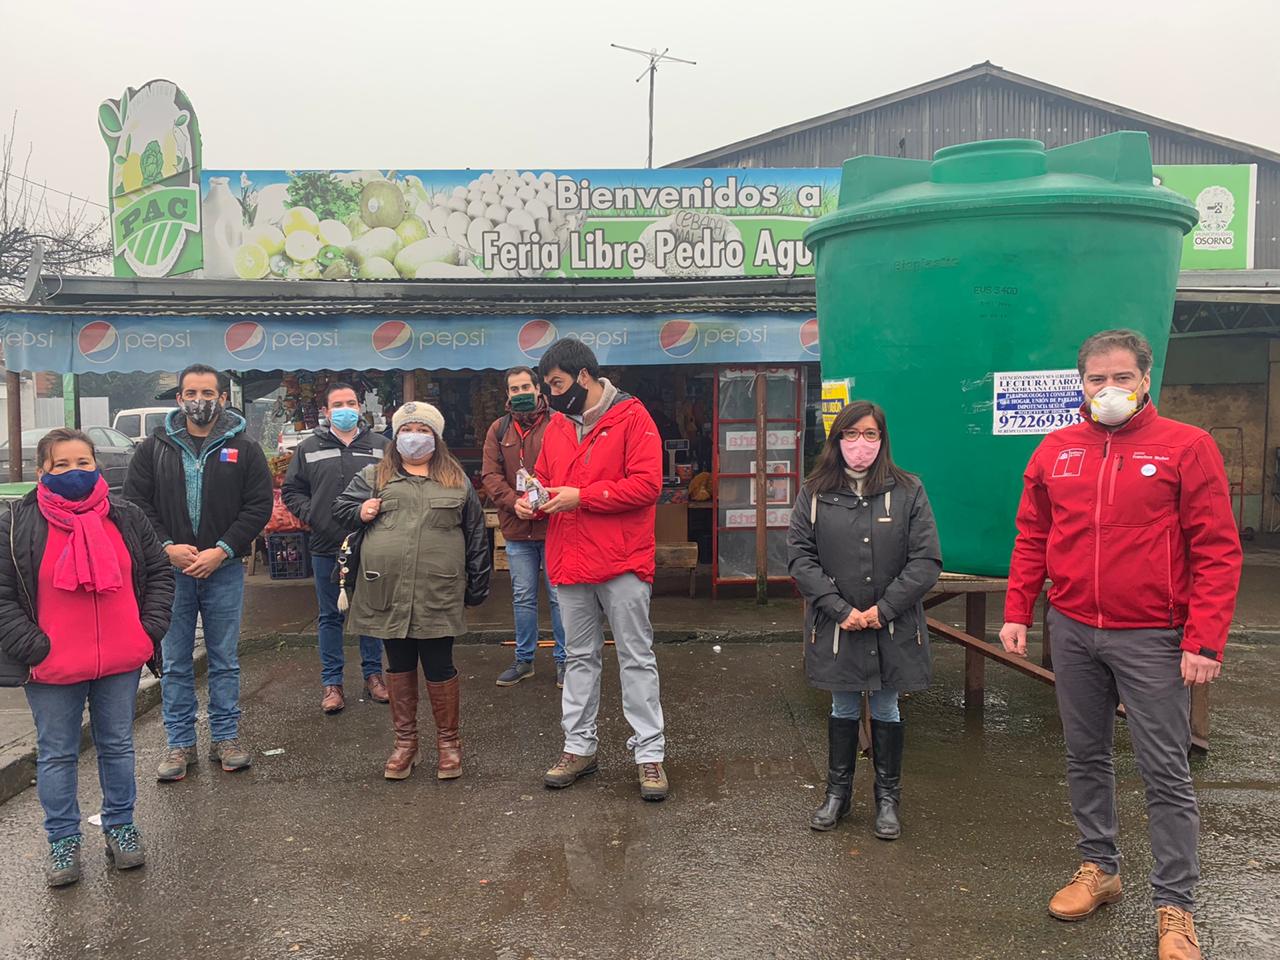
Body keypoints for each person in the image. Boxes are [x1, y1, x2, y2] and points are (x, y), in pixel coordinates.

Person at [999, 329, 1242, 960]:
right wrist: (1018, 610)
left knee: (1165, 770)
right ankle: (1099, 869)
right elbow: (1033, 536)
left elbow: (1217, 549)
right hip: (1073, 628)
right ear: (1080, 384)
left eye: (1122, 378)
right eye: (1097, 379)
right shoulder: (1057, 449)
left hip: (1153, 636)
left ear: (1145, 379)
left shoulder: (1187, 446)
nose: (1109, 389)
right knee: (1086, 756)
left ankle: (1175, 907)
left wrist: (1203, 640)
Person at [0, 429, 174, 886]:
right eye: (61, 464)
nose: (74, 471)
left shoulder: (126, 516)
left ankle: (121, 826)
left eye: (83, 462)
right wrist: (33, 647)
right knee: (57, 754)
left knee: (117, 745)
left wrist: (147, 630)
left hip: (119, 659)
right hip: (51, 666)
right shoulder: (16, 522)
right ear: (42, 470)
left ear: (97, 465)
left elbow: (158, 573)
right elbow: (3, 595)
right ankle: (63, 840)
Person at [515, 339, 669, 801]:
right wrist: (532, 500)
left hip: (622, 559)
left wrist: (582, 497)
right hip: (570, 558)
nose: (552, 394)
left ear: (583, 376)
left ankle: (649, 753)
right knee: (578, 657)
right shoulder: (558, 426)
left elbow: (648, 485)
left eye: (557, 383)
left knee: (635, 656)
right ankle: (578, 747)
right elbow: (545, 481)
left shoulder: (633, 417)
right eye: (548, 385)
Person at [787, 402, 942, 838]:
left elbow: (926, 559)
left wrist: (884, 609)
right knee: (842, 706)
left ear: (882, 440)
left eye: (870, 434)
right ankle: (837, 795)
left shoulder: (908, 490)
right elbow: (800, 558)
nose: (861, 444)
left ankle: (888, 799)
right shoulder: (815, 493)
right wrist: (840, 609)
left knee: (888, 706)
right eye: (851, 434)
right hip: (839, 626)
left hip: (892, 625)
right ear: (837, 439)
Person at [124, 364, 272, 782]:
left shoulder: (244, 447)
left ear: (223, 398)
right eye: (191, 393)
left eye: (208, 393)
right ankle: (180, 744)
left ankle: (225, 738)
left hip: (223, 570)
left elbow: (258, 506)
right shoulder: (153, 448)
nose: (199, 400)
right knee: (175, 661)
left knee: (224, 659)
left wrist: (222, 550)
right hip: (170, 573)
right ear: (179, 398)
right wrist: (166, 547)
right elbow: (136, 503)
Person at [333, 402, 490, 781]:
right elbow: (339, 509)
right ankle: (405, 744)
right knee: (399, 664)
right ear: (395, 435)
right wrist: (361, 511)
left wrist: (479, 581)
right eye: (406, 429)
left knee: (440, 665)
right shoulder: (375, 475)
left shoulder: (456, 479)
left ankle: (448, 745)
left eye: (422, 430)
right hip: (387, 590)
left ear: (436, 437)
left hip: (439, 591)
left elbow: (475, 532)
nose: (413, 437)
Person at [282, 382, 391, 713]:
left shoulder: (381, 446)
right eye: (338, 405)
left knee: (370, 612)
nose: (346, 409)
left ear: (360, 407)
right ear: (326, 412)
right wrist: (312, 514)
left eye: (351, 403)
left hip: (370, 542)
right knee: (330, 616)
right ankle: (332, 684)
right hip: (325, 543)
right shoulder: (309, 447)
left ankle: (374, 676)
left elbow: (394, 487)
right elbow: (292, 491)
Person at [482, 366, 567, 688]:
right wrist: (512, 501)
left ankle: (565, 661)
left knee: (559, 597)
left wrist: (549, 500)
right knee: (522, 597)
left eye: (525, 387)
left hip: (554, 525)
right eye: (514, 389)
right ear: (507, 394)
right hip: (517, 528)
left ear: (538, 389)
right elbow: (490, 475)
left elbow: (570, 467)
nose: (521, 393)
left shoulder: (559, 423)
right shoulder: (499, 429)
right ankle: (524, 660)